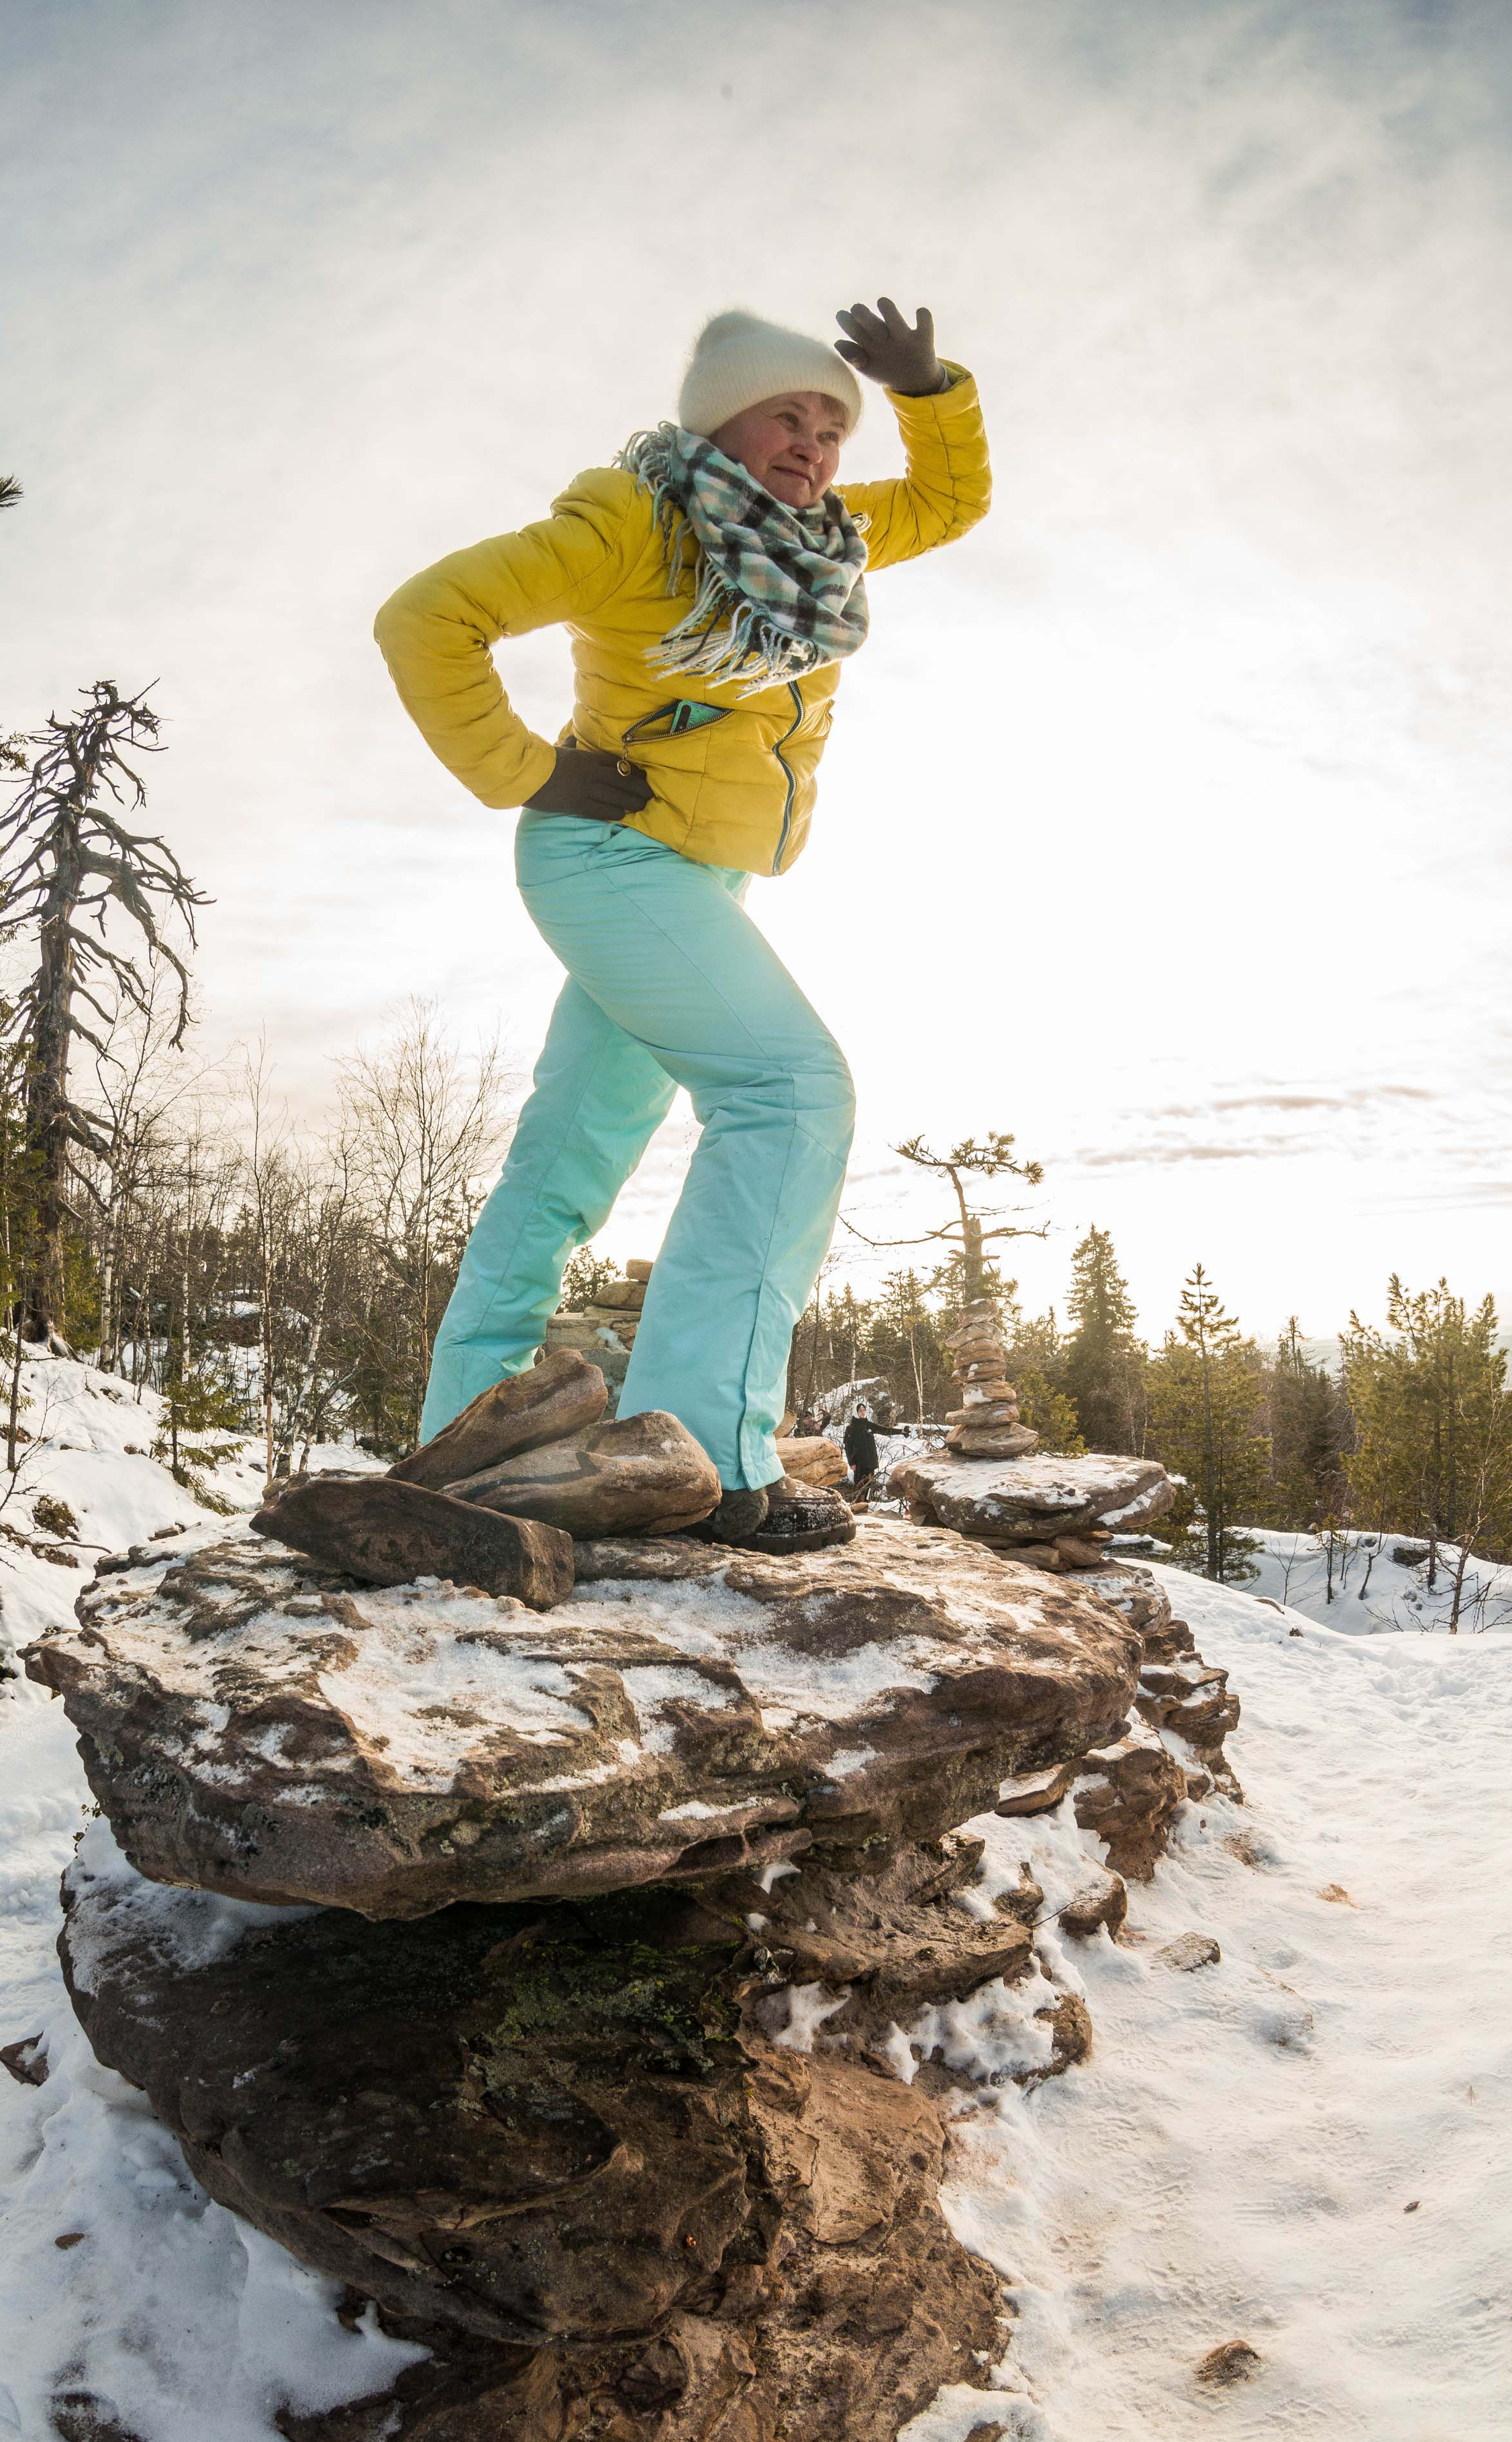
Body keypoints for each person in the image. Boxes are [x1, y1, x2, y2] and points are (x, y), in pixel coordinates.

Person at [375, 299, 989, 1552]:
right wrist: (525, 768)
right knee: (792, 1095)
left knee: (564, 1165)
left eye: (833, 424)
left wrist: (931, 395)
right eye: (788, 415)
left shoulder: (826, 539)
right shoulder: (632, 524)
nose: (815, 445)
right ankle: (713, 1461)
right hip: (610, 858)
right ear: (720, 421)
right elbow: (425, 614)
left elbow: (952, 503)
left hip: (694, 882)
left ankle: (463, 1440)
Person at [842, 1401, 902, 1503]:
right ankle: (857, 1504)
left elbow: (884, 1430)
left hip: (870, 1461)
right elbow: (848, 1447)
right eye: (860, 1410)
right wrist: (851, 1462)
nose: (862, 1412)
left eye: (864, 1410)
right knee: (860, 1484)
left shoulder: (868, 1425)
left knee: (869, 1484)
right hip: (859, 1462)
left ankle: (866, 1503)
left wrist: (901, 1432)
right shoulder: (850, 1428)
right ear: (856, 1412)